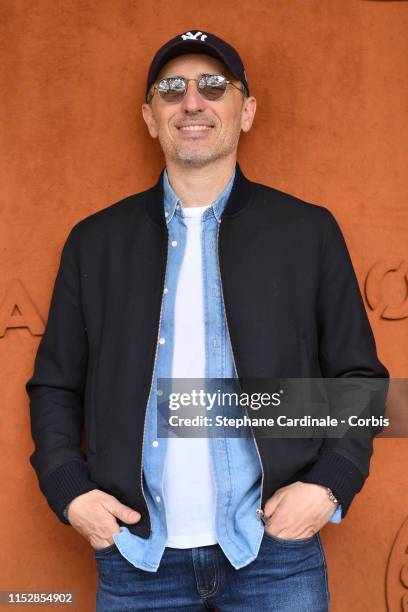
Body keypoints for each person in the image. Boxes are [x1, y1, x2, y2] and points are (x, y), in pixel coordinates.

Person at [26, 30, 389, 611]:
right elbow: (55, 386)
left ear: (245, 111)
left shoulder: (307, 232)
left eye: (213, 86)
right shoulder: (95, 243)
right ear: (150, 116)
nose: (192, 102)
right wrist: (70, 492)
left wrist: (330, 483)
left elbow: (361, 380)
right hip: (136, 554)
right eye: (172, 89)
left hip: (274, 555)